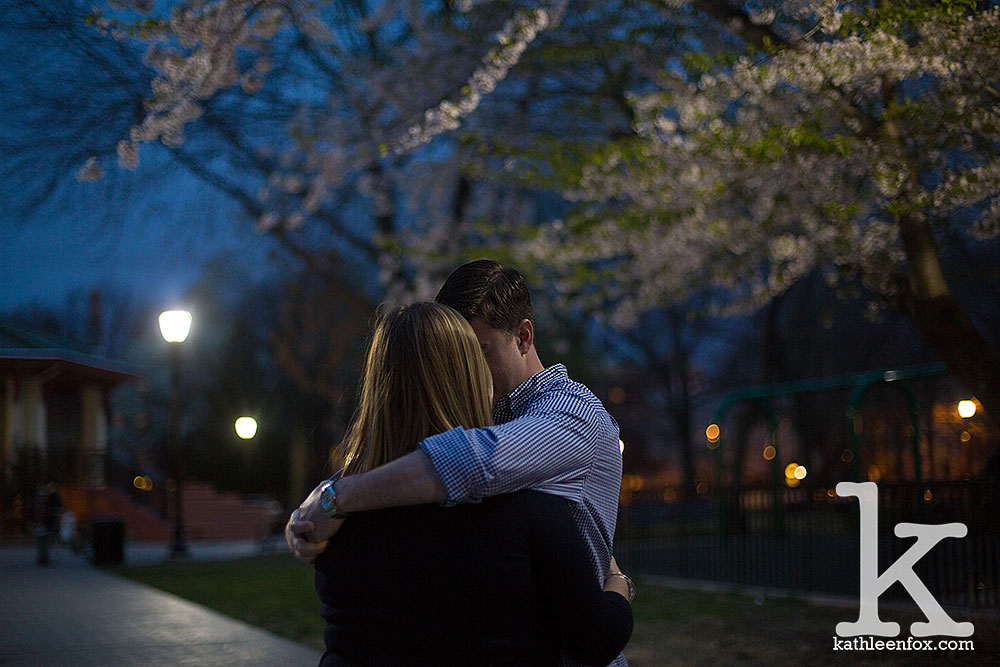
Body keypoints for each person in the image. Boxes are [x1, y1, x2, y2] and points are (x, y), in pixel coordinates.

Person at [290, 260, 629, 667]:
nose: (464, 370)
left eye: (477, 352)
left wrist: (335, 497)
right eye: (451, 357)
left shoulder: (570, 417)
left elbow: (470, 462)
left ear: (523, 337)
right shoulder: (488, 419)